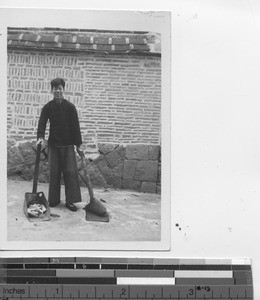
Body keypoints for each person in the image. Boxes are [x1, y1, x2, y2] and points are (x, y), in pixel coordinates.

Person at [36, 78, 84, 212]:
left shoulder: (70, 107)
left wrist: (78, 144)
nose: (58, 91)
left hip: (68, 145)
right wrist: (40, 137)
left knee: (70, 172)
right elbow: (42, 123)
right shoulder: (48, 107)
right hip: (53, 145)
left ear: (63, 90)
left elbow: (76, 126)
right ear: (52, 90)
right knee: (54, 172)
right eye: (55, 89)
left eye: (60, 88)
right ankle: (54, 199)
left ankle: (70, 201)